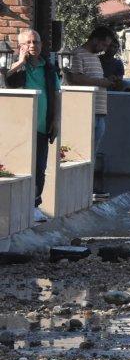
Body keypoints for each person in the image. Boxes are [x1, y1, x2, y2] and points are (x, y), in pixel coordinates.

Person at [6, 29, 59, 223]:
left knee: (40, 166)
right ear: (20, 47)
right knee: (20, 166)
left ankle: (34, 205)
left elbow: (56, 94)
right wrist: (20, 62)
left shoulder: (49, 68)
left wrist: (55, 120)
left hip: (42, 124)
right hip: (20, 126)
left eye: (35, 42)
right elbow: (6, 82)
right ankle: (19, 206)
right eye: (27, 43)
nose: (32, 46)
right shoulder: (16, 67)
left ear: (41, 44)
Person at [64, 25, 118, 196]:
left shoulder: (94, 57)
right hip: (87, 111)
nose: (104, 49)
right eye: (104, 44)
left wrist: (107, 81)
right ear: (95, 39)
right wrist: (102, 82)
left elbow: (93, 79)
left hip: (100, 111)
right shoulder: (78, 54)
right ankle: (80, 190)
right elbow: (75, 78)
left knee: (93, 153)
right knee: (84, 152)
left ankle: (87, 189)